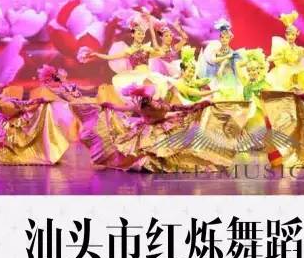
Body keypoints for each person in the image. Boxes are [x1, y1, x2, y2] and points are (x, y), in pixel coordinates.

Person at [82, 82, 233, 172]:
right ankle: (154, 163)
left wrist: (108, 105)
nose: (149, 98)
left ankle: (155, 163)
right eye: (148, 97)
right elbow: (174, 109)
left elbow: (120, 107)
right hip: (151, 129)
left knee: (158, 148)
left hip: (155, 128)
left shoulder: (143, 105)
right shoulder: (149, 105)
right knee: (155, 148)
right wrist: (197, 105)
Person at [77, 9, 170, 101]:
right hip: (134, 75)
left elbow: (158, 47)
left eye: (142, 33)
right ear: (133, 35)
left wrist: (151, 22)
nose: (141, 35)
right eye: (138, 33)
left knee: (160, 87)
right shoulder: (126, 50)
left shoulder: (147, 48)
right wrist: (96, 55)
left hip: (149, 73)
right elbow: (111, 57)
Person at [197, 19, 244, 101]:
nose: (224, 39)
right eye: (222, 37)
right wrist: (226, 57)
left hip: (229, 79)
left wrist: (223, 64)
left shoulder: (232, 53)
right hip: (217, 79)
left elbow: (234, 65)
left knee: (230, 99)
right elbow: (213, 60)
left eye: (226, 37)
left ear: (230, 39)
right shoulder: (216, 51)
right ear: (219, 38)